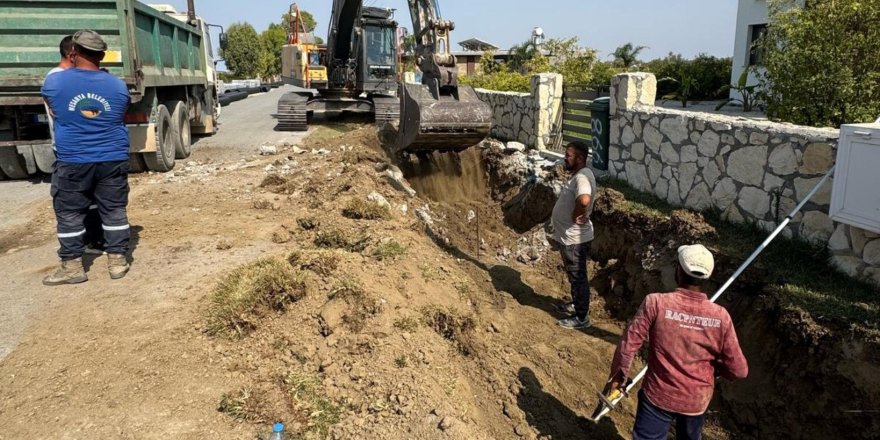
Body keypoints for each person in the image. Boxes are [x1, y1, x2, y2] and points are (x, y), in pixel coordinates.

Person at [604, 244, 748, 440]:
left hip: (658, 396)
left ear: (679, 271)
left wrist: (618, 379)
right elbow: (739, 370)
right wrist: (713, 372)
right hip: (695, 401)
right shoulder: (721, 317)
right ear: (707, 277)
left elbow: (628, 345)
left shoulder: (656, 303)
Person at [41, 30, 132, 285]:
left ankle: (72, 267)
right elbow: (120, 112)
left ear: (72, 53)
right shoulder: (117, 85)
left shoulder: (55, 83)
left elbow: (53, 109)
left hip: (73, 159)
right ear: (102, 56)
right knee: (114, 209)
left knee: (70, 212)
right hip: (112, 157)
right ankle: (117, 262)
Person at [46, 35, 106, 255]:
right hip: (70, 150)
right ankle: (76, 249)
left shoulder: (67, 78)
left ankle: (93, 239)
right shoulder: (57, 78)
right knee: (70, 202)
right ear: (73, 54)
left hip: (85, 149)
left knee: (92, 198)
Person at [551, 141, 597, 329]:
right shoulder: (580, 175)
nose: (565, 158)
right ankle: (577, 304)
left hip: (575, 240)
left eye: (568, 155)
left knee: (578, 277)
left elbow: (584, 199)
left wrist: (576, 213)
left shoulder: (582, 178)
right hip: (571, 239)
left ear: (579, 158)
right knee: (574, 276)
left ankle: (581, 317)